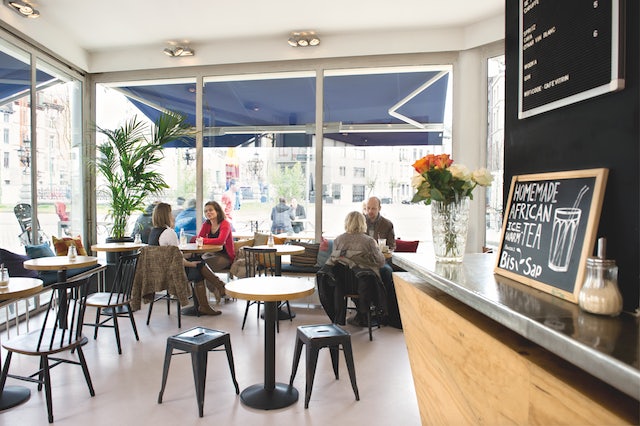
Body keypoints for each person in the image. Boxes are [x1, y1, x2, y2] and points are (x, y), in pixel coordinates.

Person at [147, 202, 221, 316]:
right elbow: (176, 260)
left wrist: (188, 256)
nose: (173, 216)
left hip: (159, 273)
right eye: (170, 214)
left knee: (196, 260)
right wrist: (191, 264)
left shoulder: (153, 232)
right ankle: (211, 297)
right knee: (198, 267)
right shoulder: (169, 233)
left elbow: (170, 256)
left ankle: (215, 291)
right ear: (166, 216)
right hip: (171, 274)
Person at [320, 211, 386, 327]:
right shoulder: (369, 241)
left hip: (342, 286)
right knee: (373, 278)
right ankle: (366, 314)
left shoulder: (338, 240)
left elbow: (334, 263)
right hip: (363, 285)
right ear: (363, 223)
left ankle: (357, 315)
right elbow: (381, 263)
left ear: (347, 223)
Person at [195, 200, 235, 303]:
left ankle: (219, 289)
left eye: (210, 210)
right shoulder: (206, 224)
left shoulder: (225, 224)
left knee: (202, 266)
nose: (208, 213)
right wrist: (201, 240)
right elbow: (199, 238)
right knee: (198, 263)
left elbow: (221, 241)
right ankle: (220, 288)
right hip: (211, 254)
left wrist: (204, 240)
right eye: (206, 211)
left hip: (225, 256)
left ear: (217, 211)